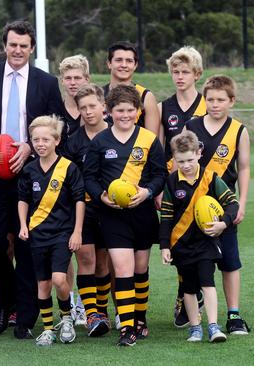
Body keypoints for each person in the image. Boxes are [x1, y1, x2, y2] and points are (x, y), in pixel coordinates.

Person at [0, 20, 66, 339]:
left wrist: (30, 146)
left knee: (26, 246)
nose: (17, 50)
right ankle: (6, 303)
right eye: (12, 44)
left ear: (32, 48)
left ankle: (24, 315)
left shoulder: (46, 82)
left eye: (23, 45)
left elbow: (61, 123)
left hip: (32, 174)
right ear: (4, 45)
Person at [84, 85, 166, 346]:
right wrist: (102, 197)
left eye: (130, 110)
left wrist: (148, 191)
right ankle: (127, 327)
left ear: (138, 111)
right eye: (120, 110)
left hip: (142, 214)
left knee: (141, 270)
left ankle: (140, 318)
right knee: (122, 269)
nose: (125, 115)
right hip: (112, 216)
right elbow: (90, 177)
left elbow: (160, 174)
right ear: (109, 112)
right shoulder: (100, 142)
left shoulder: (148, 139)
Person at [185, 75, 251, 335]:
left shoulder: (238, 130)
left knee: (230, 261)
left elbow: (244, 168)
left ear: (231, 101)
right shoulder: (191, 126)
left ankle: (234, 314)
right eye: (210, 99)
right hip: (192, 207)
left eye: (221, 100)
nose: (215, 104)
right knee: (192, 259)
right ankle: (191, 308)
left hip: (224, 209)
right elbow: (180, 159)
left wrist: (242, 204)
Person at [159, 130, 237, 343]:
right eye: (180, 160)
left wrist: (223, 223)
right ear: (174, 158)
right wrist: (164, 246)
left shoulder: (211, 178)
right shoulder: (172, 182)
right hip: (181, 246)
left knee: (207, 282)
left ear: (199, 153)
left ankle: (213, 326)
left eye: (190, 160)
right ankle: (195, 328)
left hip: (206, 243)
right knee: (188, 288)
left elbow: (232, 203)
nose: (186, 165)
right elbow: (165, 216)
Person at [17, 115, 85, 346]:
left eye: (46, 139)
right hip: (37, 234)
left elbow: (79, 201)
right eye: (36, 139)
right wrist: (23, 225)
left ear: (56, 140)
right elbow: (23, 199)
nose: (40, 144)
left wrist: (77, 232)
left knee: (58, 279)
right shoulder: (29, 170)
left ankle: (66, 317)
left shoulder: (69, 168)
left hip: (62, 234)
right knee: (43, 284)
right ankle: (47, 329)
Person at [158, 46, 207, 327]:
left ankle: (195, 292)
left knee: (202, 247)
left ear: (196, 74)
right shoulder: (165, 107)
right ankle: (185, 292)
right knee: (178, 244)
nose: (179, 76)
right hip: (174, 189)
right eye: (175, 71)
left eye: (185, 71)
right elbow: (160, 150)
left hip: (203, 189)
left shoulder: (206, 105)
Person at [61, 84, 111, 335]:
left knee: (104, 263)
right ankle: (91, 314)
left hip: (112, 210)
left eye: (93, 106)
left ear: (103, 105)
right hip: (83, 211)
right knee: (86, 258)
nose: (89, 112)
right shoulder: (73, 142)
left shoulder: (117, 134)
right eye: (83, 108)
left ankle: (102, 310)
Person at [103, 42, 160, 134]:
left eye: (129, 61)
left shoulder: (145, 96)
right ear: (109, 63)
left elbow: (153, 141)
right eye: (119, 60)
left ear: (135, 65)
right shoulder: (97, 96)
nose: (124, 65)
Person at [59, 55, 90, 136]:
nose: (72, 83)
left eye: (77, 78)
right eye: (68, 78)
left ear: (87, 79)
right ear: (62, 81)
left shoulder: (95, 111)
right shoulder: (56, 111)